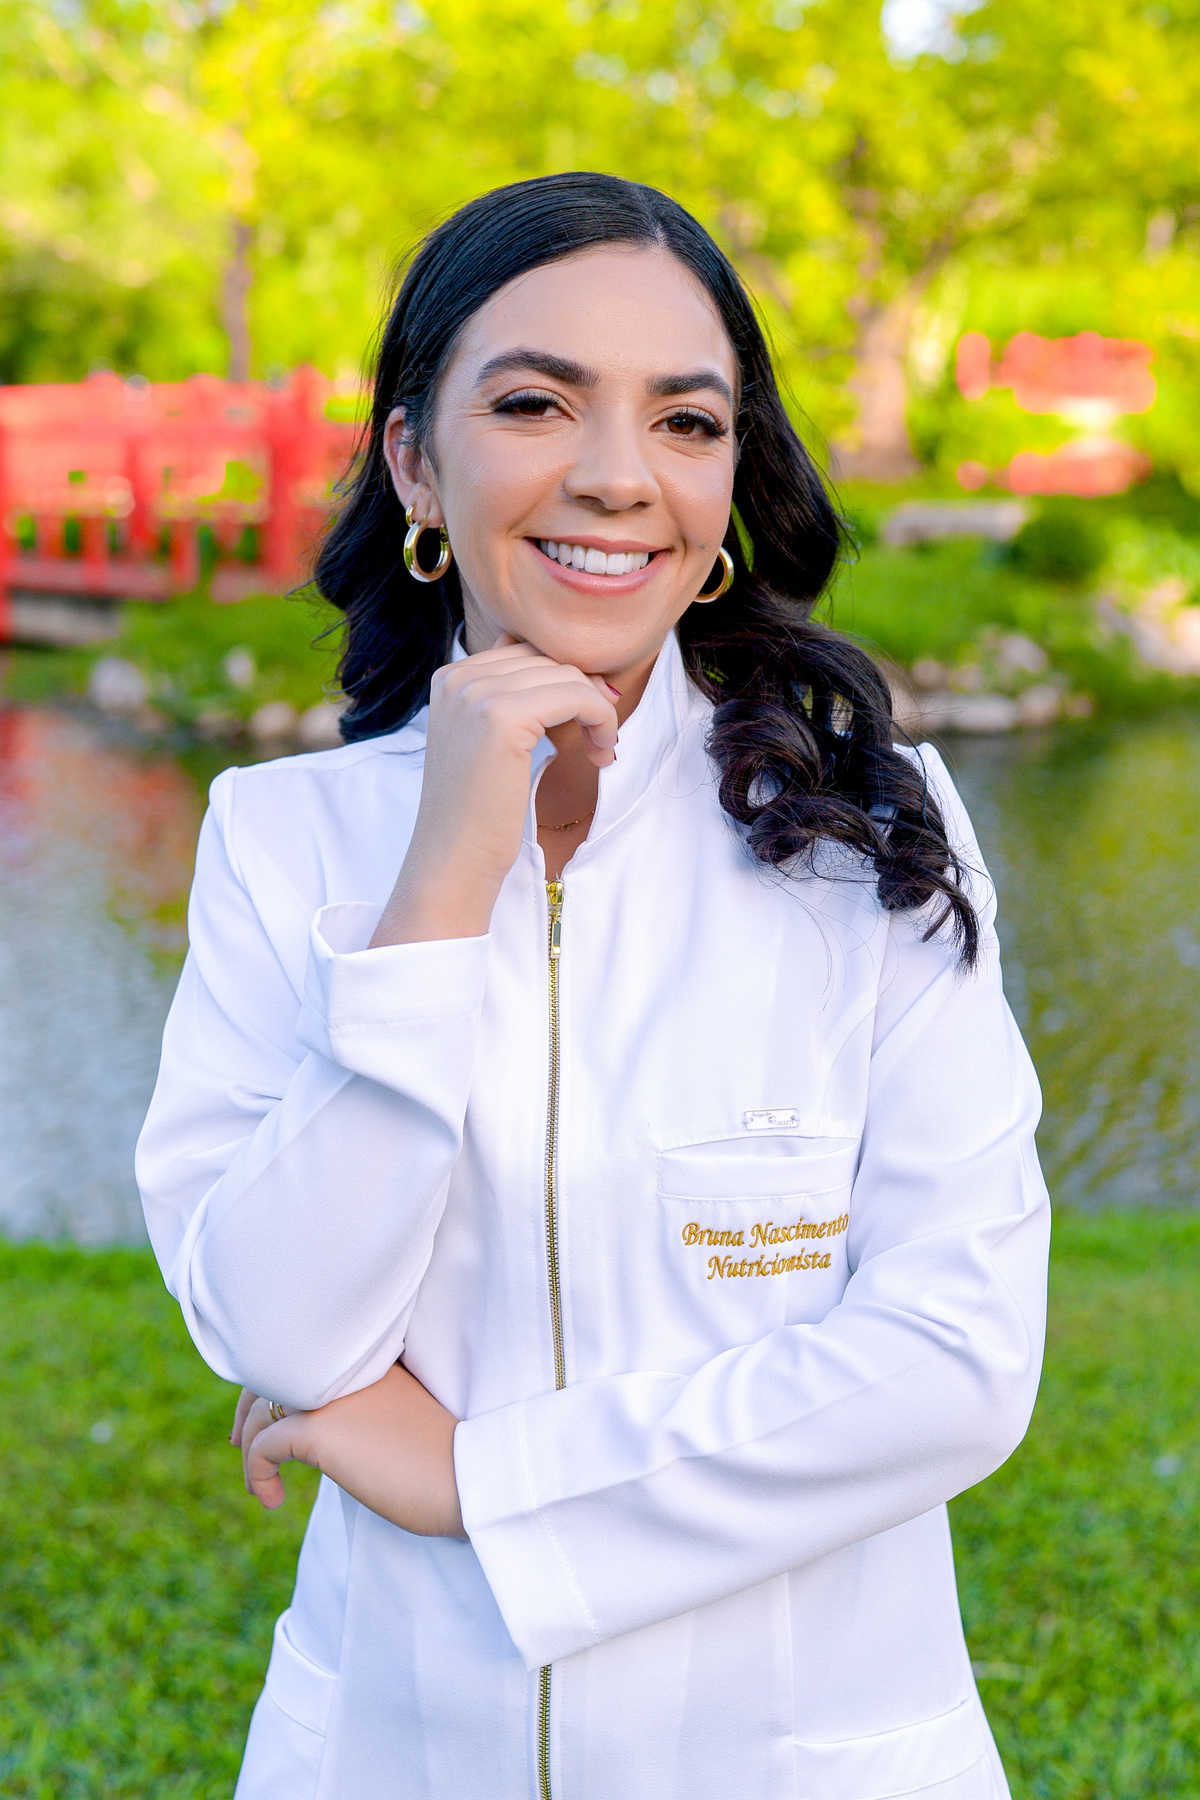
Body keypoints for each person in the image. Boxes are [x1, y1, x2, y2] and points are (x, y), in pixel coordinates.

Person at [136, 171, 1050, 1800]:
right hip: (390, 1755)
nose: (621, 475)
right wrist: (438, 886)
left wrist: (481, 1482)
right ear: (416, 460)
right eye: (536, 402)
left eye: (686, 423)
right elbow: (276, 1325)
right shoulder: (281, 841)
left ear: (729, 481)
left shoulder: (875, 834)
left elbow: (956, 1361)